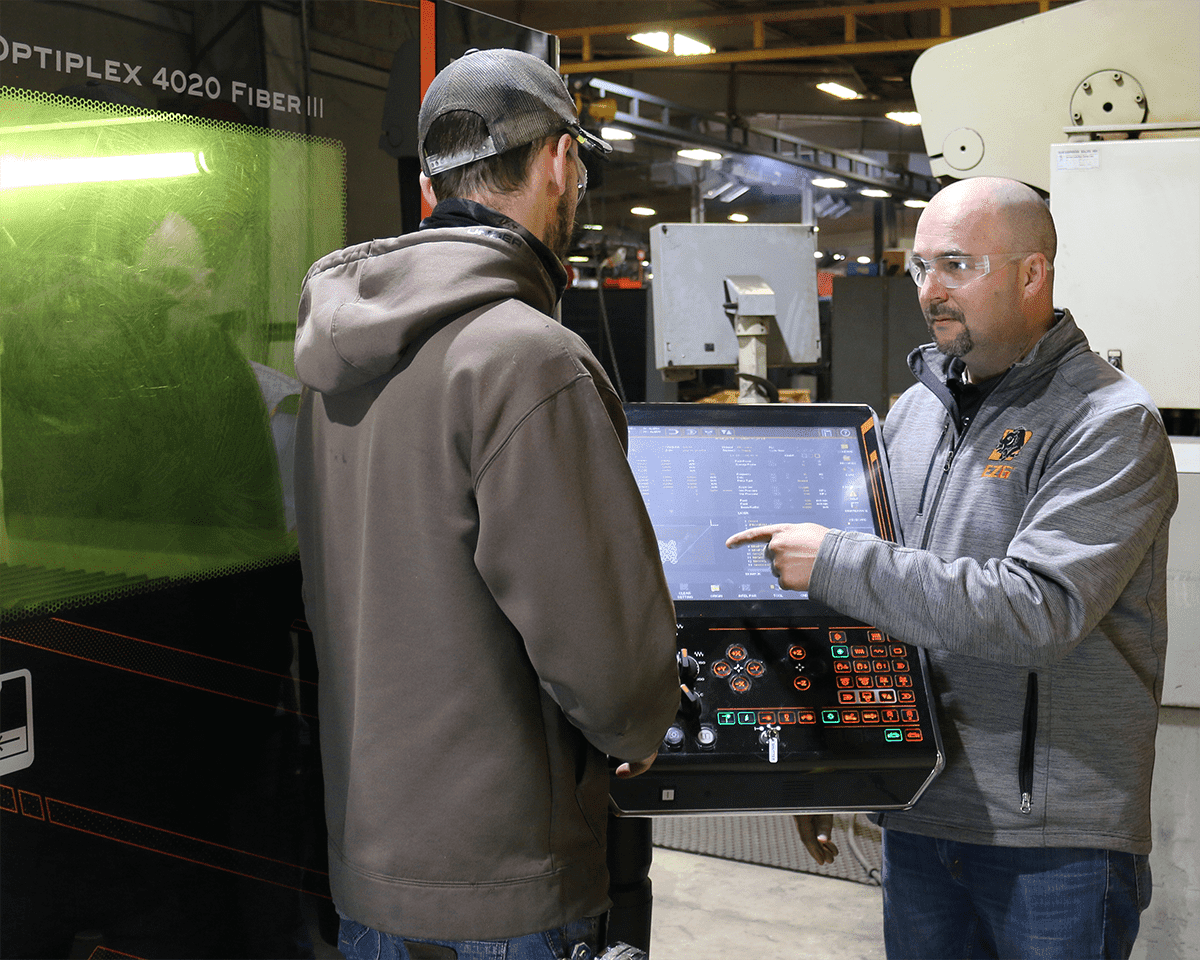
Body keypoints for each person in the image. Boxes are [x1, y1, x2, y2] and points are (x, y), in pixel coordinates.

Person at [292, 48, 680, 960]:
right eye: (578, 160)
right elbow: (603, 645)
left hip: (371, 867)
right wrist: (642, 718)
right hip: (507, 885)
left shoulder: (339, 356)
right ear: (556, 162)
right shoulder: (527, 359)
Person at [727, 176, 1177, 959]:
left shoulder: (1109, 424)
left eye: (958, 265)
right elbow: (883, 609)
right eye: (921, 268)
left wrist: (835, 559)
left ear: (1033, 274)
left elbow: (1041, 610)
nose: (931, 290)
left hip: (1052, 840)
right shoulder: (914, 414)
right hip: (919, 809)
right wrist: (832, 765)